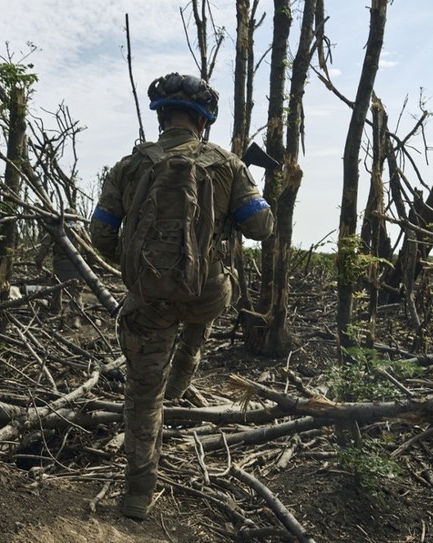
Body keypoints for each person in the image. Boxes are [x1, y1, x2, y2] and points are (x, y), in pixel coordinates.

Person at [90, 72, 275, 520]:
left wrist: (138, 270)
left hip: (150, 299)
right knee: (202, 308)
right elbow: (261, 227)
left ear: (161, 116)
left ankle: (137, 494)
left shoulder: (129, 166)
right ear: (204, 121)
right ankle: (184, 372)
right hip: (208, 292)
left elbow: (100, 233)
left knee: (142, 392)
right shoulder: (228, 164)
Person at [35, 209, 86, 329]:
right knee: (76, 292)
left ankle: (55, 311)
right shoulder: (80, 228)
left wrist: (38, 261)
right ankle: (75, 318)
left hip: (60, 265)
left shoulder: (57, 227)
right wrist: (91, 264)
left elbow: (45, 246)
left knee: (57, 288)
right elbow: (87, 245)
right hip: (77, 264)